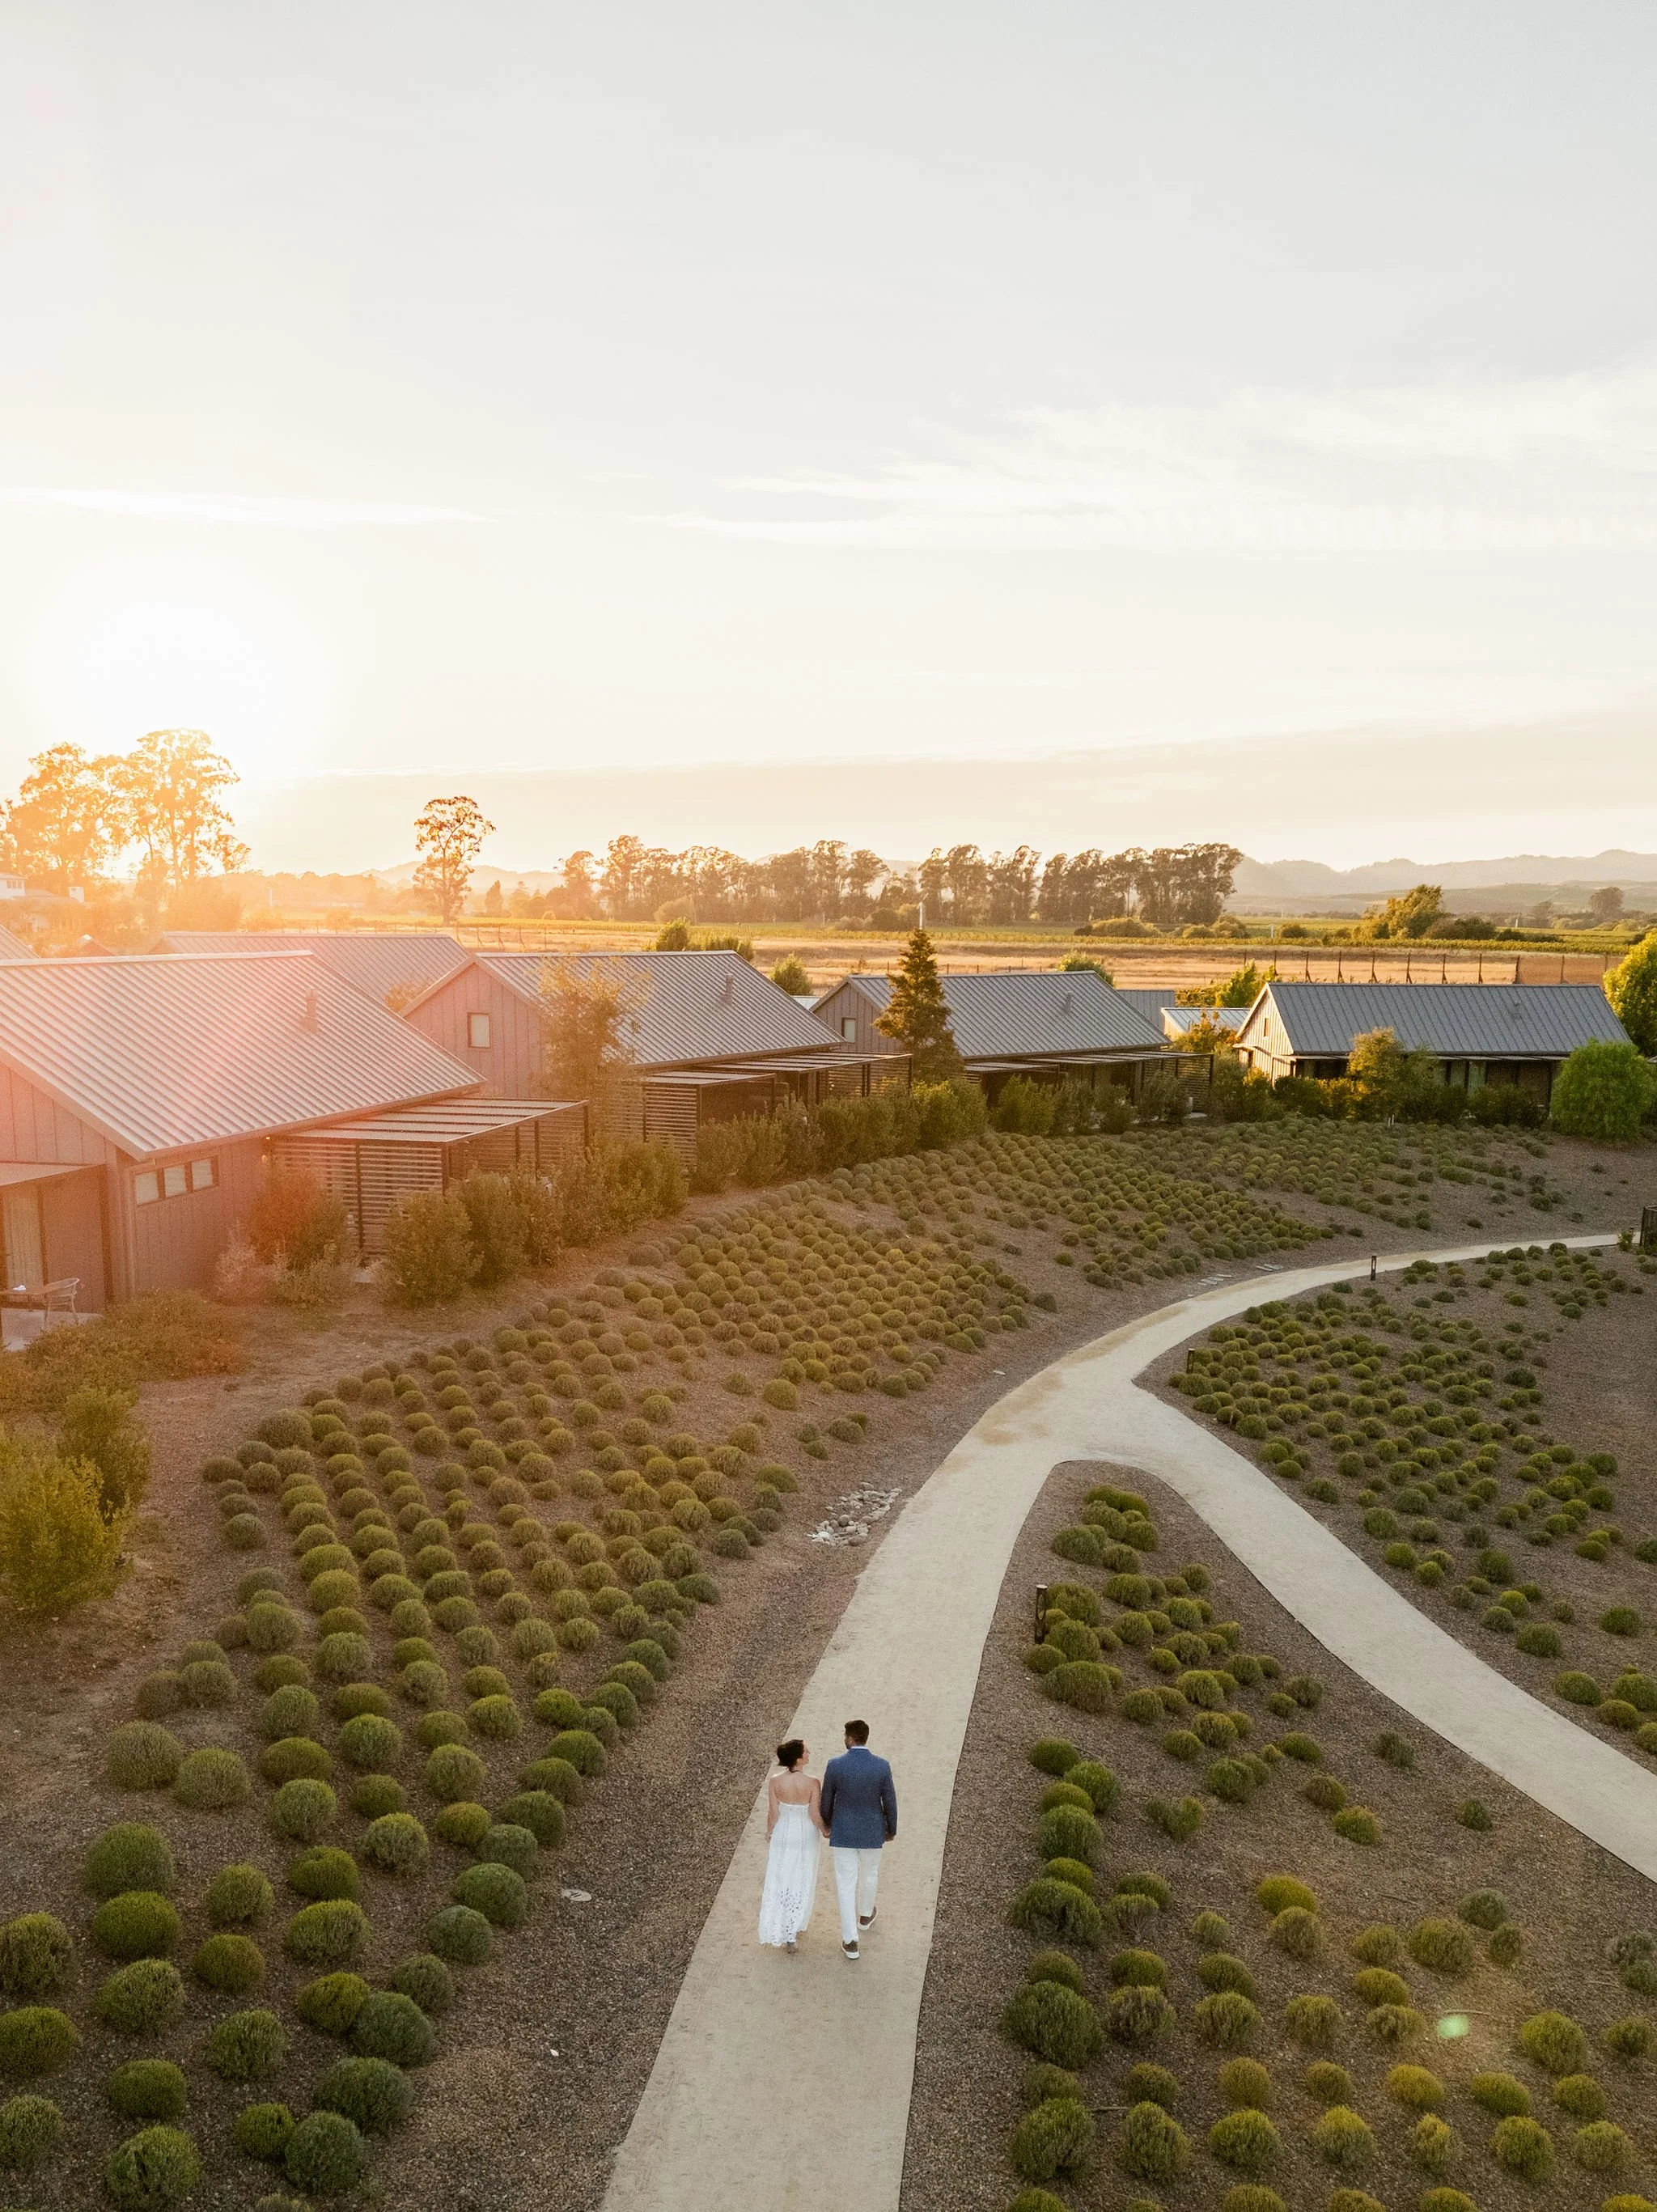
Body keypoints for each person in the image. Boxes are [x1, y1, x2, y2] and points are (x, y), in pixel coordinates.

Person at [818, 1718, 897, 1960]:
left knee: (845, 1884)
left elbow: (826, 1800)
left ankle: (851, 1939)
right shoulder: (882, 1766)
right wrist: (891, 1829)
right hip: (873, 1830)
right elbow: (890, 1801)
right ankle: (865, 1915)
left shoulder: (835, 1765)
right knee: (870, 1873)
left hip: (843, 1831)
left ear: (851, 1738)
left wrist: (828, 1823)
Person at [758, 1737, 824, 1954]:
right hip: (805, 1835)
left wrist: (769, 1832)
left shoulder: (775, 1782)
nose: (809, 1752)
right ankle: (792, 1930)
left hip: (783, 1834)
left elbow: (773, 1813)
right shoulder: (813, 1783)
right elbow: (814, 1814)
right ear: (798, 1759)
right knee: (802, 1879)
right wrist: (825, 1829)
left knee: (781, 1879)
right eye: (806, 1751)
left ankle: (782, 1926)